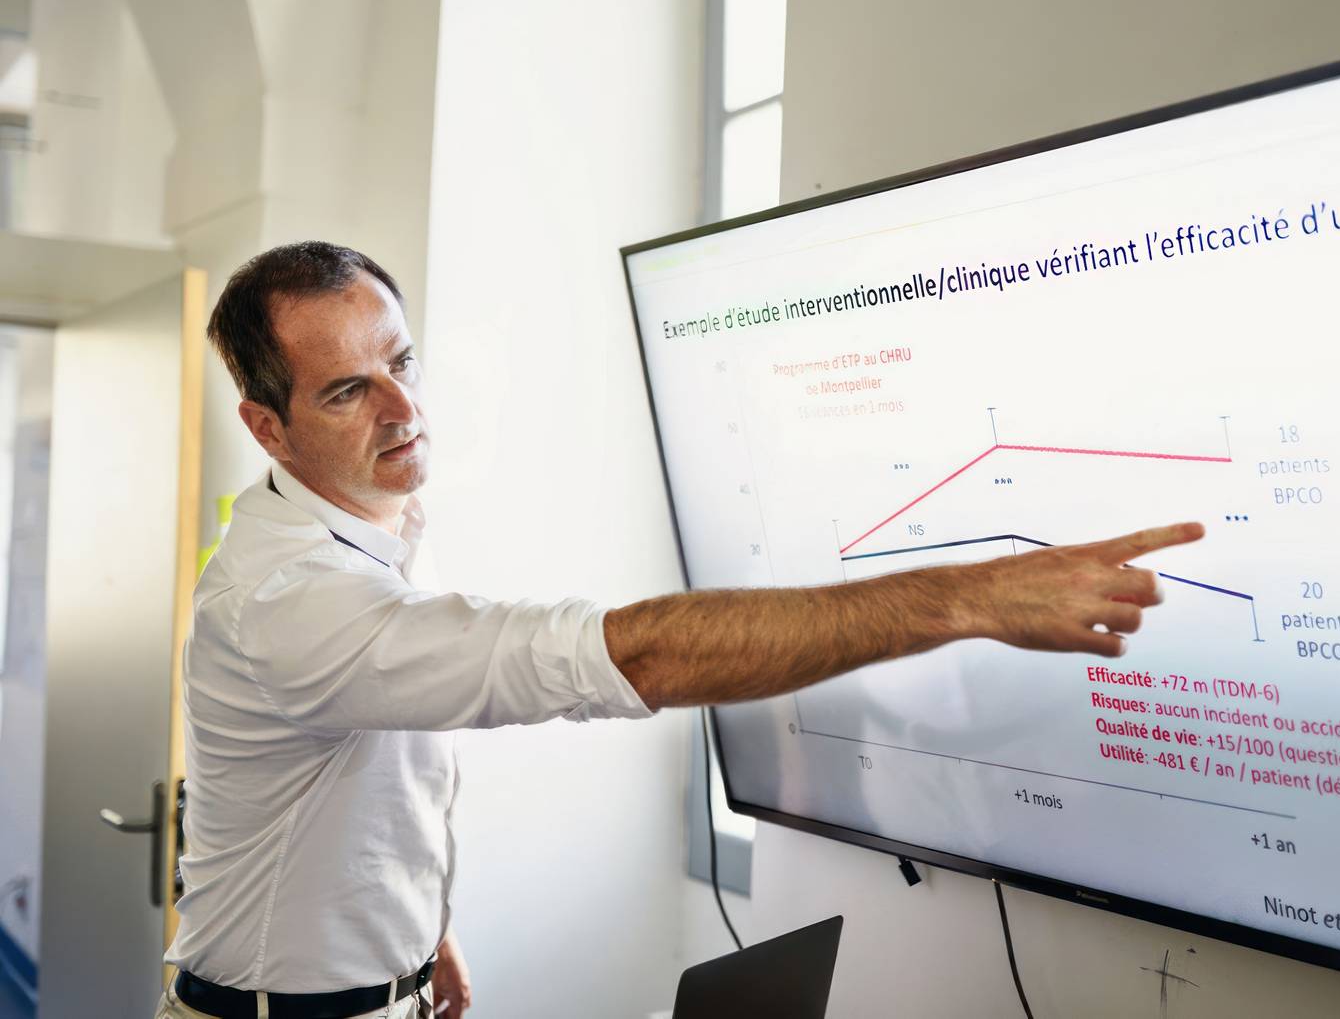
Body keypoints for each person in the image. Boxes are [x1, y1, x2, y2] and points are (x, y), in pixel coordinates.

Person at [157, 241, 1203, 1019]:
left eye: (402, 361)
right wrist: (969, 600)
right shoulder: (285, 601)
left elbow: (366, 779)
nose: (402, 408)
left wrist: (421, 938)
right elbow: (632, 656)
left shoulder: (376, 525)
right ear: (268, 427)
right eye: (349, 391)